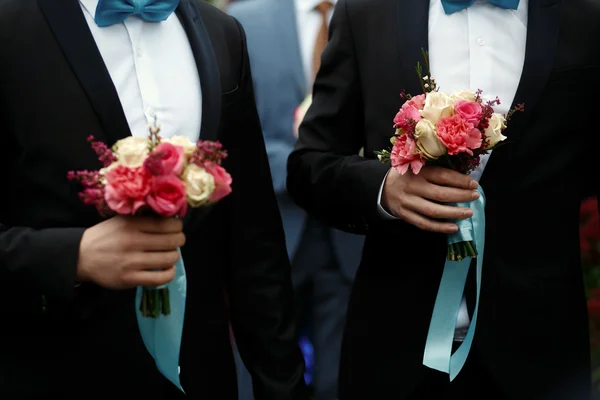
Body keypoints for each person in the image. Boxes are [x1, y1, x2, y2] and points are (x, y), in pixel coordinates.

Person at [287, 0, 600, 399]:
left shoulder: (586, 14)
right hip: (394, 351)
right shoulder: (367, 11)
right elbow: (309, 165)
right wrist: (383, 188)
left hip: (540, 354)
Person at [0, 0, 308, 398]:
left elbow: (253, 239)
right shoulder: (10, 26)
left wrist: (281, 384)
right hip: (53, 371)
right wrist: (71, 257)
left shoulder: (221, 32)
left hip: (200, 376)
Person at [228, 0, 364, 399]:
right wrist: (303, 164)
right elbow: (228, 133)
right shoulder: (244, 21)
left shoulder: (375, 15)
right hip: (275, 225)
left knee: (340, 378)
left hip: (352, 234)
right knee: (262, 372)